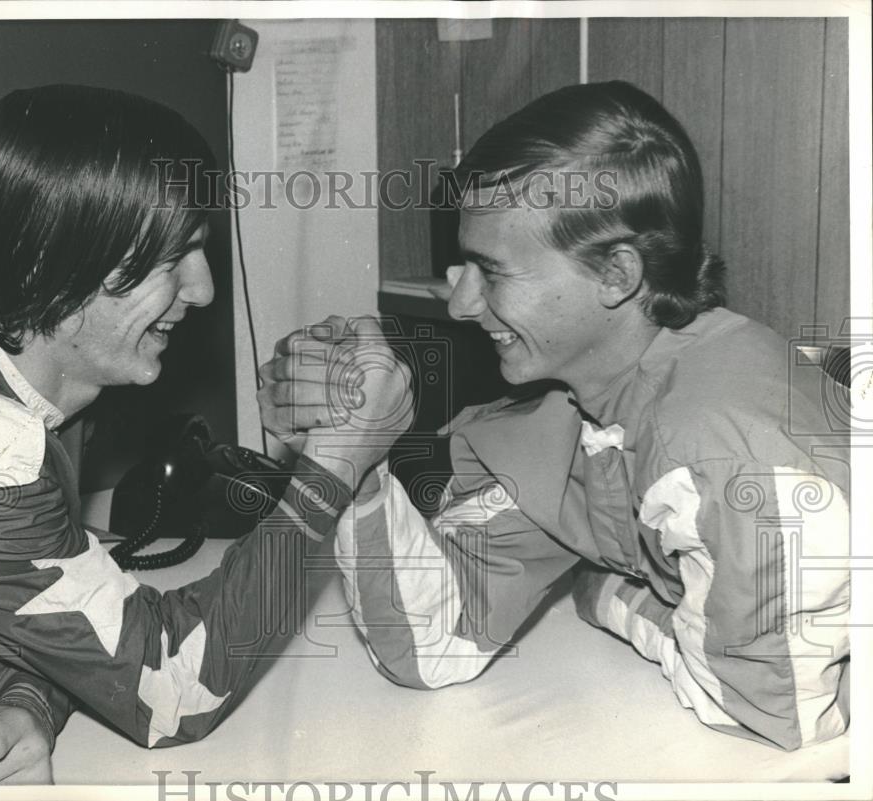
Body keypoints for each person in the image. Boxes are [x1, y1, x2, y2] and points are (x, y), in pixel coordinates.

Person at [258, 81, 850, 751]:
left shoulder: (728, 450)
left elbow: (768, 712)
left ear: (615, 274)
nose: (459, 304)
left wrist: (612, 597)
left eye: (491, 269)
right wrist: (351, 461)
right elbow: (429, 643)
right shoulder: (567, 416)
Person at [0, 84, 412, 783]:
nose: (204, 290)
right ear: (51, 266)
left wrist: (32, 693)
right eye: (173, 259)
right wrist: (335, 462)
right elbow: (175, 689)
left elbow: (40, 584)